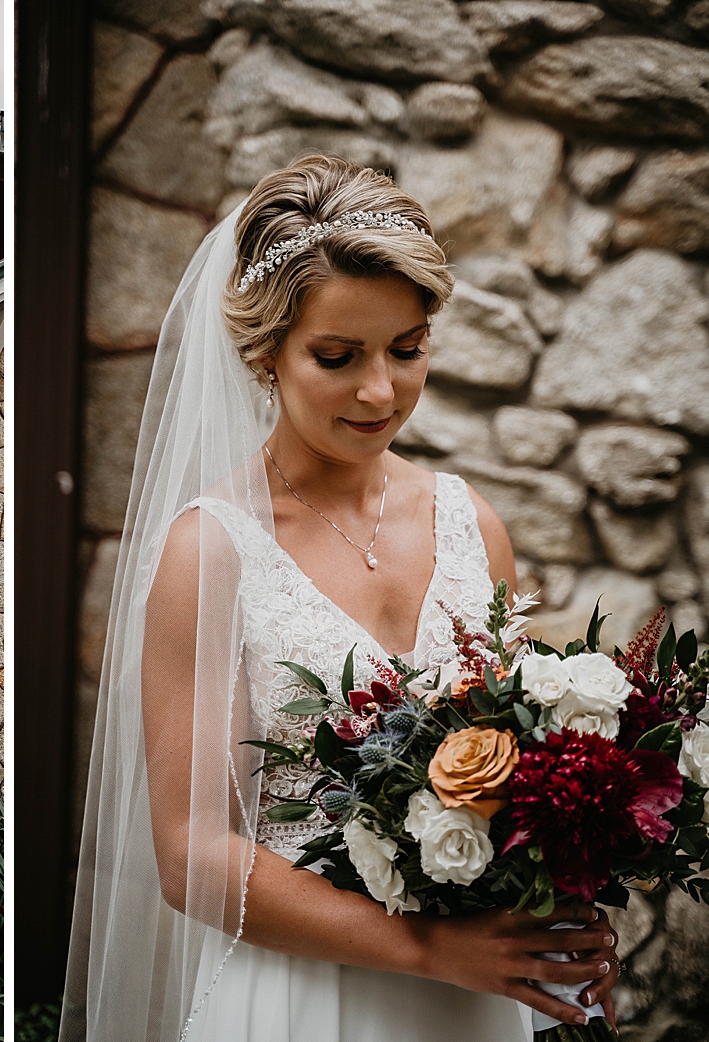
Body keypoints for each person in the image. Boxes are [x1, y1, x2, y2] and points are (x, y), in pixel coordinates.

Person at [60, 155, 620, 1042]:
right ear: (262, 353)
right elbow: (191, 855)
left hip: (481, 999)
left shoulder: (474, 525)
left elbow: (525, 781)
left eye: (407, 350)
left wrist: (566, 915)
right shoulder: (212, 550)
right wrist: (432, 952)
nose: (380, 390)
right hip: (302, 1001)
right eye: (337, 356)